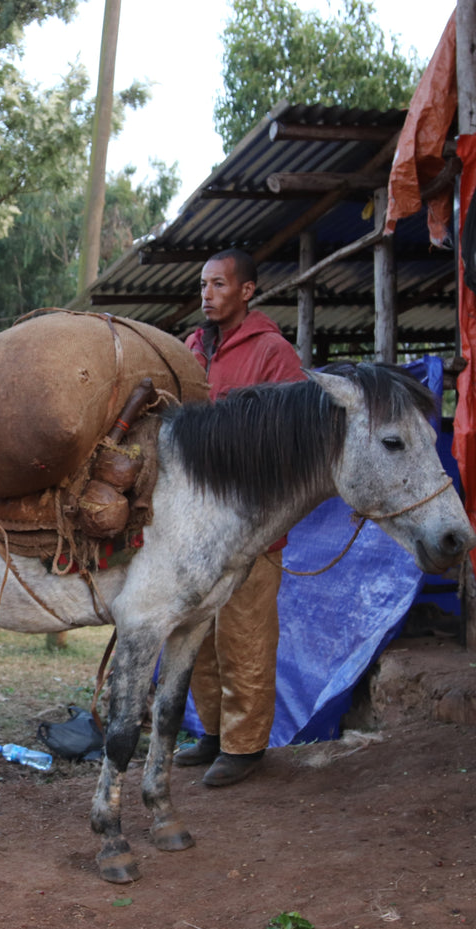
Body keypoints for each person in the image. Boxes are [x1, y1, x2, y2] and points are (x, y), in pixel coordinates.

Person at [173, 249, 305, 786]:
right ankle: (211, 733)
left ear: (246, 291)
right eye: (203, 284)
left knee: (245, 633)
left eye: (219, 284)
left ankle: (246, 747)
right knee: (195, 630)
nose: (207, 293)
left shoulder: (274, 351)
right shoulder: (190, 348)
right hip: (195, 524)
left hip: (253, 522)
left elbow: (295, 435)